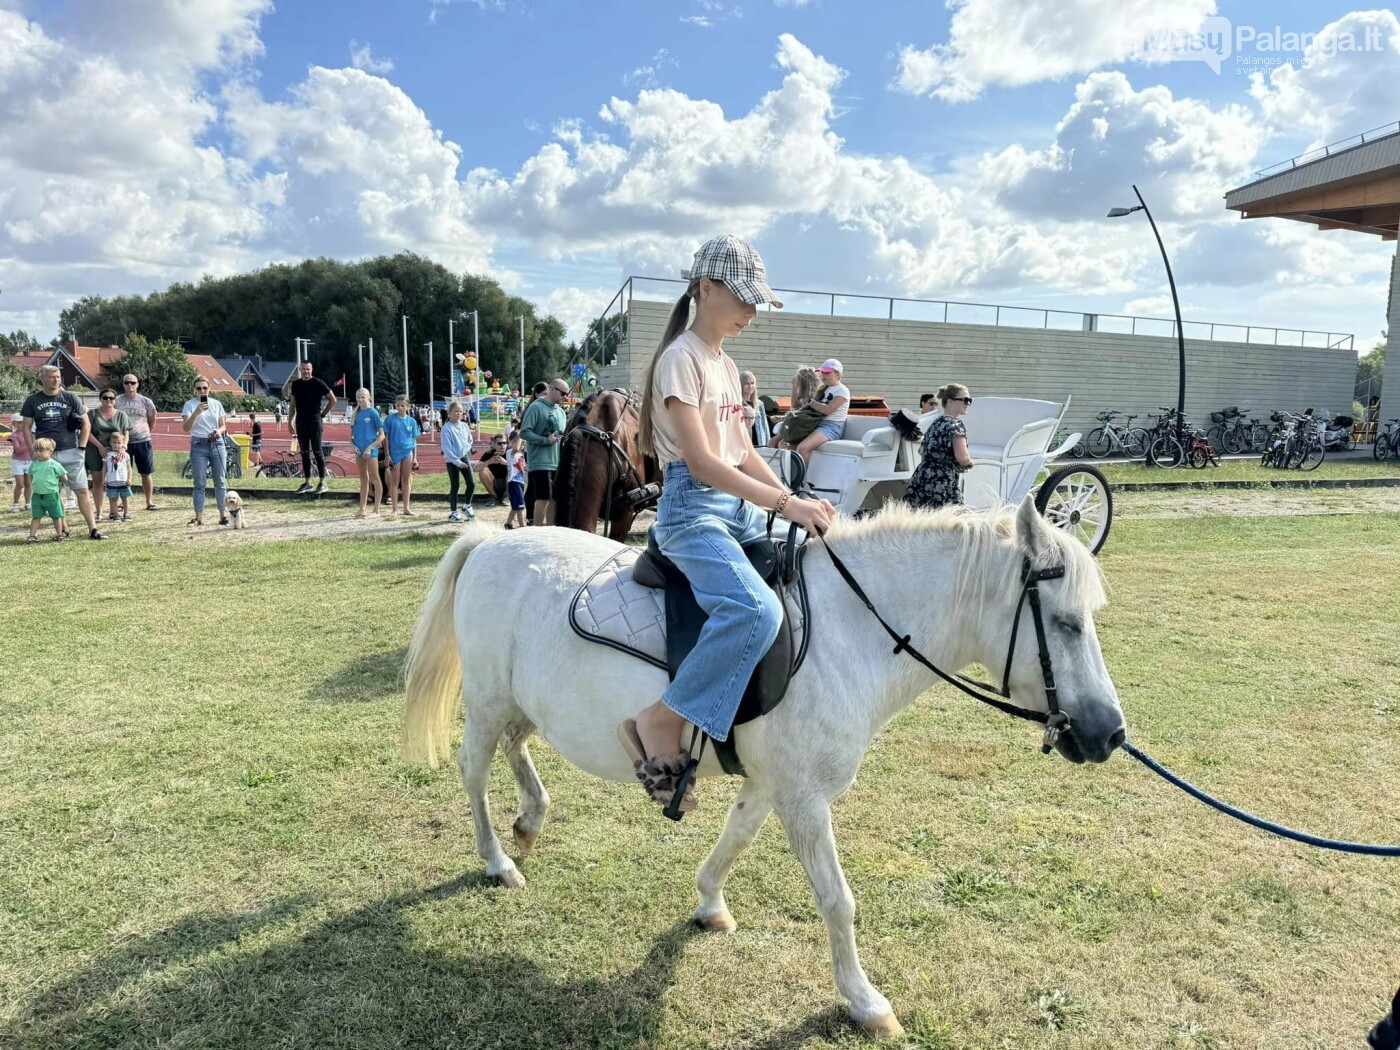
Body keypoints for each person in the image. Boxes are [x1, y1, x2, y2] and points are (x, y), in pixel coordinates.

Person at [617, 234, 834, 813]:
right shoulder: (680, 360)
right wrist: (786, 507)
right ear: (703, 289)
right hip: (692, 513)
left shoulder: (725, 363)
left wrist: (794, 496)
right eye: (741, 298)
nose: (751, 312)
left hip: (735, 509)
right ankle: (659, 720)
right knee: (754, 610)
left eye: (755, 301)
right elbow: (705, 463)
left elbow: (743, 451)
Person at [20, 364, 105, 539]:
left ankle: (93, 528)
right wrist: (32, 452)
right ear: (42, 378)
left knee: (81, 490)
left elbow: (86, 423)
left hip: (71, 451)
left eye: (58, 376)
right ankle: (64, 528)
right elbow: (26, 427)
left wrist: (81, 447)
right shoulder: (32, 400)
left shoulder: (70, 397)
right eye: (52, 377)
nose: (56, 380)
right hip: (46, 455)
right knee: (53, 492)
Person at [905, 383, 974, 511]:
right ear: (950, 402)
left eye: (969, 400)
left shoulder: (936, 423)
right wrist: (970, 463)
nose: (967, 403)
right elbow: (963, 458)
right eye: (965, 400)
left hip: (922, 479)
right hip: (942, 483)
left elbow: (924, 451)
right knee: (951, 524)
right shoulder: (955, 425)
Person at [181, 377, 230, 527]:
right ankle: (199, 517)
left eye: (204, 388)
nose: (202, 391)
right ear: (194, 390)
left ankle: (223, 515)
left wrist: (219, 431)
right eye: (199, 388)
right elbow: (186, 427)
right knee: (199, 482)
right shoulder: (189, 405)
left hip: (216, 443)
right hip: (198, 444)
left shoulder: (216, 404)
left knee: (220, 481)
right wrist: (196, 412)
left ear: (209, 389)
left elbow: (223, 426)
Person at [520, 377, 569, 526]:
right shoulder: (536, 407)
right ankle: (538, 530)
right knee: (543, 497)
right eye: (563, 393)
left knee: (554, 498)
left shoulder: (561, 412)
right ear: (552, 389)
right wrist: (545, 440)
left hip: (556, 462)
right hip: (540, 462)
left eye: (567, 394)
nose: (565, 397)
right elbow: (524, 432)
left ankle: (550, 530)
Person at [283, 361, 337, 494]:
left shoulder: (318, 383)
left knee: (317, 451)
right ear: (300, 370)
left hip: (315, 421)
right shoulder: (296, 384)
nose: (306, 371)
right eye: (303, 369)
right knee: (304, 452)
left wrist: (323, 414)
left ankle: (322, 482)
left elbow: (333, 399)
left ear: (312, 370)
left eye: (308, 369)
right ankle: (308, 482)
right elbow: (293, 404)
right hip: (301, 422)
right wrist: (290, 421)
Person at [115, 372, 160, 511]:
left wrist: (145, 433)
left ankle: (149, 501)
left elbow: (152, 420)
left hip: (142, 441)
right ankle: (123, 502)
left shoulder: (146, 401)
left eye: (132, 383)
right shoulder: (117, 401)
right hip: (123, 444)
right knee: (122, 473)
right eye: (126, 382)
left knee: (146, 472)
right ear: (123, 384)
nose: (130, 385)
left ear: (137, 384)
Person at [790, 358, 849, 464]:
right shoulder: (822, 389)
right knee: (784, 445)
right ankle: (789, 478)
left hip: (832, 426)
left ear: (838, 373)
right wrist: (795, 386)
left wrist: (811, 402)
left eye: (827, 372)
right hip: (815, 423)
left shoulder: (843, 390)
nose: (823, 375)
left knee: (803, 448)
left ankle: (805, 480)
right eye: (822, 372)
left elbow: (827, 410)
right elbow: (797, 405)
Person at [86, 387, 130, 520]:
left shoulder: (121, 415)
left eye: (111, 398)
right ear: (100, 399)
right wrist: (100, 447)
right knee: (98, 481)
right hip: (95, 449)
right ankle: (99, 511)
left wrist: (123, 446)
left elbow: (126, 433)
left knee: (117, 479)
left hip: (117, 451)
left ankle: (118, 510)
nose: (108, 400)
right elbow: (87, 432)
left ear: (115, 400)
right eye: (105, 397)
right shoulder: (92, 414)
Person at [349, 388, 385, 518]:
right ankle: (362, 508)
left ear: (369, 398)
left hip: (371, 451)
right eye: (358, 397)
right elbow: (351, 437)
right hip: (359, 451)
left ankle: (376, 510)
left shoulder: (373, 413)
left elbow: (381, 436)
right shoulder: (356, 414)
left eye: (363, 397)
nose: (360, 399)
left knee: (375, 478)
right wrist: (353, 445)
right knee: (363, 479)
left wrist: (370, 448)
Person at [384, 394, 422, 516]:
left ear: (408, 406)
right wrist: (387, 454)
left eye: (402, 406)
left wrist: (415, 457)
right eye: (398, 405)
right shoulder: (390, 419)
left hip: (408, 452)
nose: (400, 408)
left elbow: (414, 440)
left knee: (406, 481)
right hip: (395, 453)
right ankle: (394, 509)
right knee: (395, 481)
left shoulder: (412, 421)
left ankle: (406, 507)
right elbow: (386, 438)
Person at [26, 438, 68, 542]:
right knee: (36, 516)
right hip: (37, 495)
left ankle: (59, 534)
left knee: (56, 515)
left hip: (51, 494)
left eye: (41, 451)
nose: (38, 453)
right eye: (36, 451)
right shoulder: (34, 464)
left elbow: (64, 477)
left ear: (50, 451)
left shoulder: (54, 464)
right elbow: (31, 476)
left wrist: (56, 480)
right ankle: (32, 536)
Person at [441, 400, 476, 522]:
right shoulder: (446, 429)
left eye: (460, 411)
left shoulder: (465, 426)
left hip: (464, 456)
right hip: (452, 460)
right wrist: (457, 462)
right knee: (455, 485)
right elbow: (447, 449)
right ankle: (454, 512)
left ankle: (467, 505)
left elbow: (469, 440)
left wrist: (465, 452)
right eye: (455, 411)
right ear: (449, 413)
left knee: (471, 483)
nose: (458, 414)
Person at [104, 432, 134, 523]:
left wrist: (129, 479)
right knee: (113, 498)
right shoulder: (107, 455)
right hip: (112, 481)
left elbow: (129, 468)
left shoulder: (126, 455)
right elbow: (104, 468)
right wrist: (104, 479)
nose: (116, 445)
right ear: (110, 443)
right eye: (114, 442)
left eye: (119, 443)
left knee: (125, 498)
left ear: (123, 443)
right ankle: (115, 514)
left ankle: (126, 514)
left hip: (123, 481)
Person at [739, 370, 771, 447]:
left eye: (752, 383)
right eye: (747, 383)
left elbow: (765, 427)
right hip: (744, 443)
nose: (750, 386)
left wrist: (768, 444)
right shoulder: (738, 403)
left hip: (760, 443)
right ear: (741, 385)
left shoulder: (760, 404)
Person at [475, 435, 510, 503]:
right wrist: (489, 461)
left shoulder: (511, 452)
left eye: (504, 443)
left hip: (509, 484)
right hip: (494, 483)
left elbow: (520, 467)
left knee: (512, 470)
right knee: (482, 470)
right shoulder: (489, 453)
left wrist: (506, 463)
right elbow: (475, 468)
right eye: (499, 443)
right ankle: (494, 496)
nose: (502, 445)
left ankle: (506, 496)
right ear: (494, 444)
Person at [9, 412, 32, 513]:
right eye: (19, 423)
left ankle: (28, 503)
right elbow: (18, 450)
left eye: (23, 422)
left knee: (28, 484)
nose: (22, 424)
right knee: (20, 484)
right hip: (18, 462)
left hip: (29, 461)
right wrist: (28, 442)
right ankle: (16, 503)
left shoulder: (31, 434)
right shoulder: (14, 436)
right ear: (14, 424)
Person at [505, 438, 527, 529]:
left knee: (516, 506)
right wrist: (520, 434)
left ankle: (508, 524)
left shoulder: (521, 455)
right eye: (521, 443)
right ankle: (522, 526)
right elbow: (516, 448)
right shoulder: (510, 452)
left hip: (520, 482)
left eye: (523, 444)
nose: (522, 445)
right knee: (520, 506)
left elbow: (524, 468)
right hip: (514, 482)